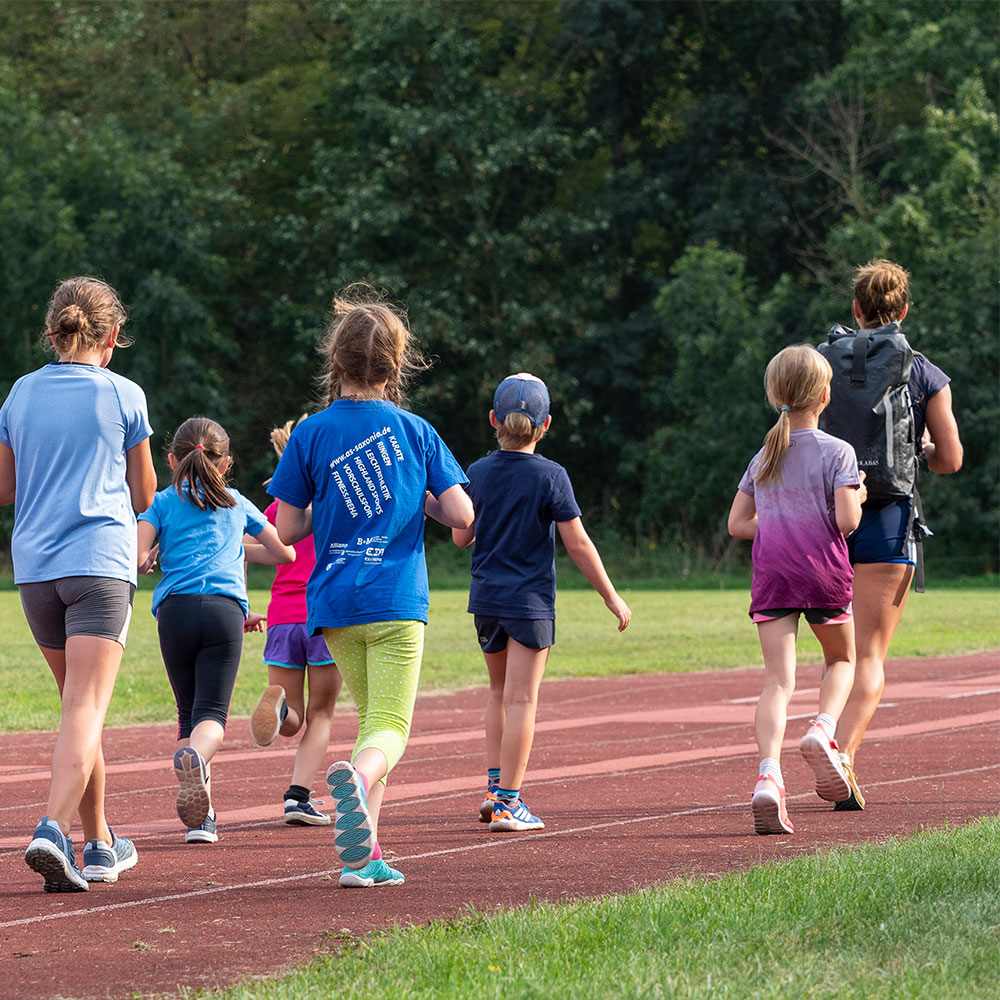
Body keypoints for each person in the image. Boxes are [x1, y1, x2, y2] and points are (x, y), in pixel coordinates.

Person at [268, 288, 473, 889]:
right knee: (391, 727)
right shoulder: (415, 430)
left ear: (335, 361)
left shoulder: (310, 434)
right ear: (396, 363)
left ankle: (362, 860)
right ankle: (355, 785)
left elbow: (287, 526)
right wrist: (420, 498)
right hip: (395, 598)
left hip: (332, 602)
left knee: (368, 722)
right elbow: (460, 514)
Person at [0, 276, 156, 891]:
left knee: (77, 711)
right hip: (98, 564)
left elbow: (5, 491)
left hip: (35, 570)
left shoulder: (18, 394)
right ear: (113, 335)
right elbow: (144, 494)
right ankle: (52, 829)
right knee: (85, 710)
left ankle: (100, 846)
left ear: (52, 331)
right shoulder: (124, 395)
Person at [452, 373, 632, 833]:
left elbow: (460, 535)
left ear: (493, 419)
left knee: (497, 695)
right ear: (546, 424)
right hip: (529, 604)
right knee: (523, 700)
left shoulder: (477, 472)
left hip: (486, 600)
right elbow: (579, 545)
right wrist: (611, 597)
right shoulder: (552, 476)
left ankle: (494, 791)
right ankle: (510, 803)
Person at [830, 260, 963, 810]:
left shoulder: (819, 362)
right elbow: (951, 459)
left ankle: (813, 731)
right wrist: (921, 453)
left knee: (835, 653)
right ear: (903, 312)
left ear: (856, 310)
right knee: (870, 657)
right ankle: (843, 754)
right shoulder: (923, 371)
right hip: (890, 518)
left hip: (829, 516)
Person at [728, 345, 867, 835]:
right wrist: (861, 495)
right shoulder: (839, 453)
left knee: (777, 682)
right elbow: (848, 520)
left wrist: (781, 520)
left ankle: (769, 776)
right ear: (825, 395)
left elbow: (738, 523)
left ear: (775, 394)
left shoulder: (764, 455)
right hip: (823, 573)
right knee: (844, 660)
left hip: (774, 575)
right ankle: (823, 731)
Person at [137, 416, 295, 844]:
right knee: (212, 717)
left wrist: (155, 554)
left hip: (175, 612)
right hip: (225, 613)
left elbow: (134, 558)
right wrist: (231, 546)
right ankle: (196, 761)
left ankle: (201, 820)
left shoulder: (163, 502)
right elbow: (284, 553)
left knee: (188, 713)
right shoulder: (236, 502)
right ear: (224, 464)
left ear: (172, 460)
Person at [247, 416, 343, 827]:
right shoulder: (335, 504)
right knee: (322, 713)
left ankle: (279, 705)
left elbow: (248, 546)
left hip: (282, 618)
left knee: (293, 721)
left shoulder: (275, 509)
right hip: (324, 617)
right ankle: (297, 797)